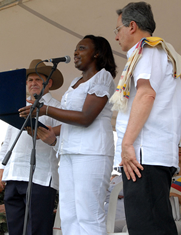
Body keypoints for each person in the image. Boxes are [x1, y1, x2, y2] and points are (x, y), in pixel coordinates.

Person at [20, 35, 117, 234]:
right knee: (69, 215)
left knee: (88, 214)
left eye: (82, 48)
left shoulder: (102, 77)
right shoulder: (75, 82)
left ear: (97, 53)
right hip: (68, 152)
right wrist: (40, 129)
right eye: (75, 48)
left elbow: (86, 117)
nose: (75, 52)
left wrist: (46, 110)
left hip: (92, 152)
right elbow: (69, 121)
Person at [111, 2, 181, 235]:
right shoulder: (150, 53)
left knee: (149, 227)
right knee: (149, 225)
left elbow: (146, 94)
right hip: (146, 155)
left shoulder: (150, 51)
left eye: (118, 30)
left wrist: (126, 144)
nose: (116, 37)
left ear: (132, 26)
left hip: (145, 154)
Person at [0, 59, 63, 235]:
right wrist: (1, 167)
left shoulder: (57, 108)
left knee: (38, 230)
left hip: (40, 177)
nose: (34, 83)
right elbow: (8, 140)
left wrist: (49, 137)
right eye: (31, 80)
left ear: (49, 83)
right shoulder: (18, 106)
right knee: (15, 229)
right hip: (13, 175)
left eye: (39, 79)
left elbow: (64, 141)